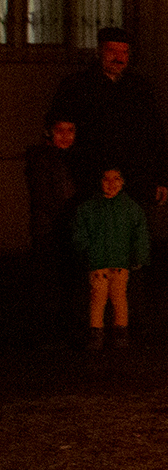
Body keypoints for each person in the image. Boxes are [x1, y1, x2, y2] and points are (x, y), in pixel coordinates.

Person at [48, 27, 168, 211]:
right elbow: (60, 135)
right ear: (98, 51)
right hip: (89, 180)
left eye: (124, 52)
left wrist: (162, 177)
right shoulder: (76, 86)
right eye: (112, 51)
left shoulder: (139, 88)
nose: (119, 58)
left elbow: (155, 134)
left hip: (135, 180)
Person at [72, 166, 150, 351]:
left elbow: (140, 234)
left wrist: (139, 256)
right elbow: (79, 233)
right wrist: (85, 253)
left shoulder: (131, 208)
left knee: (119, 298)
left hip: (120, 263)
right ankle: (96, 334)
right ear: (99, 182)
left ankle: (120, 333)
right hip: (98, 262)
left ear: (122, 182)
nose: (111, 183)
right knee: (97, 299)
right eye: (106, 179)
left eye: (116, 179)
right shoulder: (88, 208)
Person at [25, 113, 83, 347]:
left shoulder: (71, 158)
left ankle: (65, 328)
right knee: (50, 281)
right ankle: (49, 332)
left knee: (69, 280)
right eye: (61, 130)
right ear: (49, 131)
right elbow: (44, 197)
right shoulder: (41, 158)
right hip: (50, 229)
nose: (66, 136)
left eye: (71, 131)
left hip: (66, 228)